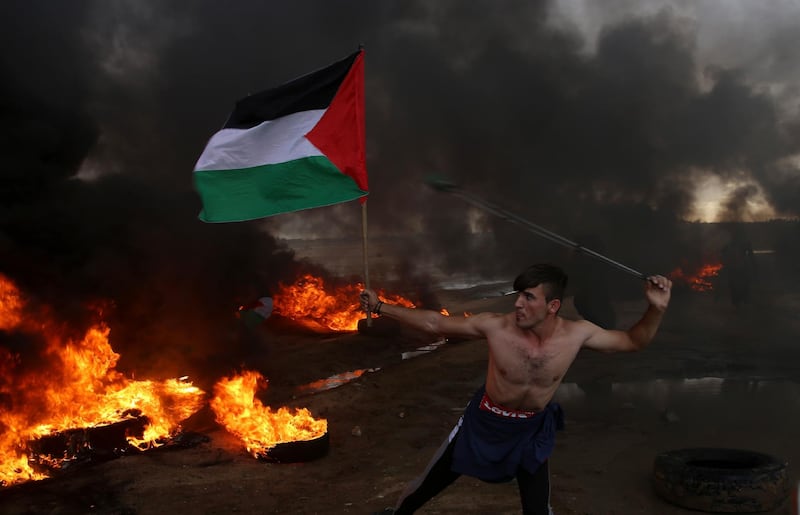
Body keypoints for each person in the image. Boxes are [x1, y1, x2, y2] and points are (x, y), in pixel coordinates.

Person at [360, 263, 672, 515]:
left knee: (537, 509)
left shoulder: (577, 334)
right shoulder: (496, 326)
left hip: (530, 432)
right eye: (518, 295)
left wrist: (656, 309)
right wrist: (381, 307)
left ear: (552, 306)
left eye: (528, 297)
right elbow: (434, 324)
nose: (518, 303)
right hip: (483, 423)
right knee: (423, 487)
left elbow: (633, 341)